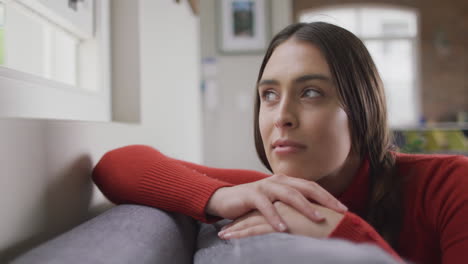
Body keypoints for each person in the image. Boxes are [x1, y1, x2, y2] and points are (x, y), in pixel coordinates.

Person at [92, 22, 468, 264]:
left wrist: (342, 232)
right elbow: (116, 165)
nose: (281, 116)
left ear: (361, 107)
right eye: (269, 95)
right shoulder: (272, 194)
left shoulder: (451, 184)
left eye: (310, 92)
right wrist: (218, 198)